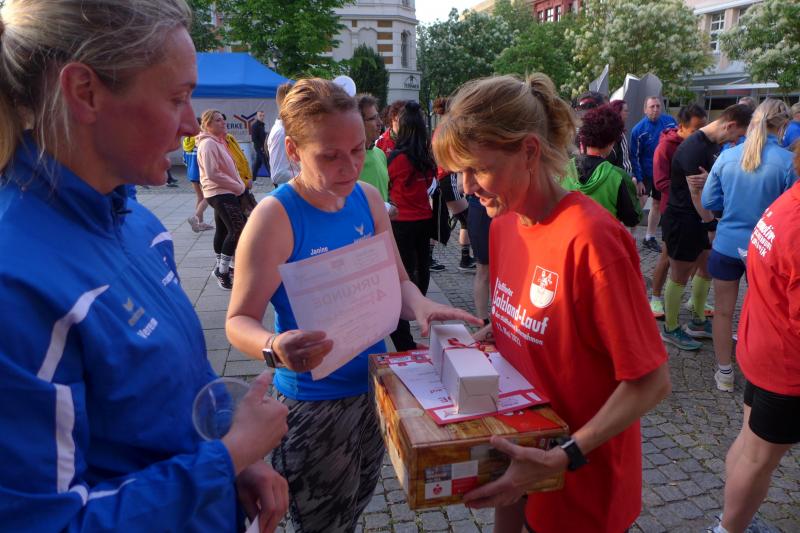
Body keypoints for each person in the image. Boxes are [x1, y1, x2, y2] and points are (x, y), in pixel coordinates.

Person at [0, 1, 290, 531]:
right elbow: (48, 522)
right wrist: (227, 457)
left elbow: (177, 391)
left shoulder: (138, 222)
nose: (190, 123)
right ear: (85, 92)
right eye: (177, 98)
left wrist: (233, 458)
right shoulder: (16, 284)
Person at [225, 78, 479, 533]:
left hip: (373, 388)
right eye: (330, 156)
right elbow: (238, 320)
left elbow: (398, 281)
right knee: (322, 523)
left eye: (358, 150)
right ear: (294, 150)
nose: (350, 167)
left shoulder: (366, 198)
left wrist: (422, 306)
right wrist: (274, 346)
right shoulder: (274, 217)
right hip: (312, 404)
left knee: (356, 504)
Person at [433, 73, 670, 533]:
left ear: (529, 151)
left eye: (477, 169)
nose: (467, 187)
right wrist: (498, 330)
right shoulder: (504, 224)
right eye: (459, 173)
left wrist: (565, 455)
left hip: (582, 489)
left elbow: (651, 381)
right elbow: (544, 330)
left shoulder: (593, 239)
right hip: (519, 460)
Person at [711, 144, 800, 533]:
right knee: (758, 458)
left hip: (763, 343)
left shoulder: (790, 199)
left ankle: (732, 521)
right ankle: (729, 529)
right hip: (786, 365)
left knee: (750, 446)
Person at [701, 99, 796, 392]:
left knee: (723, 311)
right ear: (783, 125)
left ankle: (724, 372)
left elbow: (709, 201)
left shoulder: (728, 156)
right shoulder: (787, 162)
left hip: (727, 244)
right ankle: (757, 370)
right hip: (766, 248)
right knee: (762, 311)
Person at [660, 104, 753, 351]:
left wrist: (711, 178)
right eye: (737, 135)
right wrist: (711, 224)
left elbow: (712, 181)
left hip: (702, 218)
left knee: (706, 267)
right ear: (730, 125)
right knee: (679, 274)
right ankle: (670, 328)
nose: (736, 141)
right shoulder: (693, 148)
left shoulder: (714, 145)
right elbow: (696, 194)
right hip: (683, 219)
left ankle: (698, 321)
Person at [386, 101, 438, 351]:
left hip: (401, 222)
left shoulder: (395, 158)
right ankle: (419, 307)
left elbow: (387, 187)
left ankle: (403, 325)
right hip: (423, 219)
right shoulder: (427, 158)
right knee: (422, 267)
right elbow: (430, 186)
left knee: (402, 275)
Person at [648, 104, 708, 318]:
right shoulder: (665, 148)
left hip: (697, 210)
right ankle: (655, 298)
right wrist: (689, 188)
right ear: (681, 127)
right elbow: (660, 182)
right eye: (696, 130)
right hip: (674, 210)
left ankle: (694, 299)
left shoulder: (701, 145)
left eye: (703, 128)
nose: (701, 134)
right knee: (667, 256)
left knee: (699, 254)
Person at [562, 104, 641, 227]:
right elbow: (632, 219)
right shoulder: (617, 176)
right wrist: (634, 193)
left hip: (569, 237)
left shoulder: (563, 171)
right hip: (602, 237)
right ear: (611, 143)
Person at [197, 109, 248, 291]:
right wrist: (238, 186)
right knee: (237, 230)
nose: (223, 122)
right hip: (220, 192)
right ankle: (223, 271)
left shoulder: (217, 141)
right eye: (218, 120)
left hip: (223, 192)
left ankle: (221, 267)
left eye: (223, 119)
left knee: (223, 229)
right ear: (208, 124)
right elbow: (213, 173)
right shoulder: (209, 144)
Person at [433, 97, 477, 272]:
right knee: (469, 218)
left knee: (461, 220)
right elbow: (454, 157)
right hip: (448, 178)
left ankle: (465, 258)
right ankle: (471, 258)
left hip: (443, 178)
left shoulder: (440, 130)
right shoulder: (448, 130)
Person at [630, 96, 677, 252]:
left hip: (663, 172)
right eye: (652, 107)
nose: (655, 109)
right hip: (646, 174)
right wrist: (639, 179)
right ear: (645, 109)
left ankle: (649, 237)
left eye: (658, 106)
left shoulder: (670, 122)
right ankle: (630, 237)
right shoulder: (638, 130)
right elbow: (634, 156)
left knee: (657, 204)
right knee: (639, 205)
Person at [356, 94, 391, 205]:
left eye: (378, 117)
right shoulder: (350, 158)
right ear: (358, 122)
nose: (380, 123)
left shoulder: (380, 154)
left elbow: (384, 192)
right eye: (372, 119)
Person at [267, 82, 298, 186]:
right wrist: (308, 176)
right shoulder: (280, 132)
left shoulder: (287, 129)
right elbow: (278, 174)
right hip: (291, 190)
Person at [184, 131, 215, 232]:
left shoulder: (186, 142)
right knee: (209, 196)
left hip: (191, 173)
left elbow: (184, 161)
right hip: (202, 173)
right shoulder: (200, 142)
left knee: (200, 197)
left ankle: (200, 223)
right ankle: (196, 217)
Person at [608, 99, 634, 176]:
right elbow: (621, 160)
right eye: (625, 111)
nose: (628, 113)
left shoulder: (618, 131)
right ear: (618, 112)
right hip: (622, 176)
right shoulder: (616, 134)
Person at [250, 110, 270, 180]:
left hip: (263, 147)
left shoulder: (262, 125)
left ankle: (252, 178)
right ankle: (274, 181)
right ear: (257, 116)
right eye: (260, 116)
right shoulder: (255, 126)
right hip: (259, 148)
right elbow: (254, 139)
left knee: (257, 163)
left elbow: (262, 136)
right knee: (267, 163)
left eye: (263, 116)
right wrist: (261, 148)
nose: (262, 117)